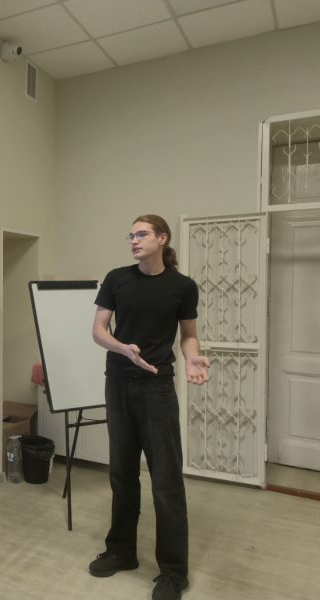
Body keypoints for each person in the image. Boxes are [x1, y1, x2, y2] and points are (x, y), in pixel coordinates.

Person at [88, 214, 209, 600]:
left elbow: (188, 336)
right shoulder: (116, 279)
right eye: (131, 235)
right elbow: (98, 331)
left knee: (166, 481)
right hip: (118, 384)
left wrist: (192, 356)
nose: (134, 241)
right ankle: (122, 551)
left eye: (142, 234)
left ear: (162, 239)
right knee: (122, 473)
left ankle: (173, 572)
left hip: (157, 389)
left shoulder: (182, 286)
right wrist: (123, 348)